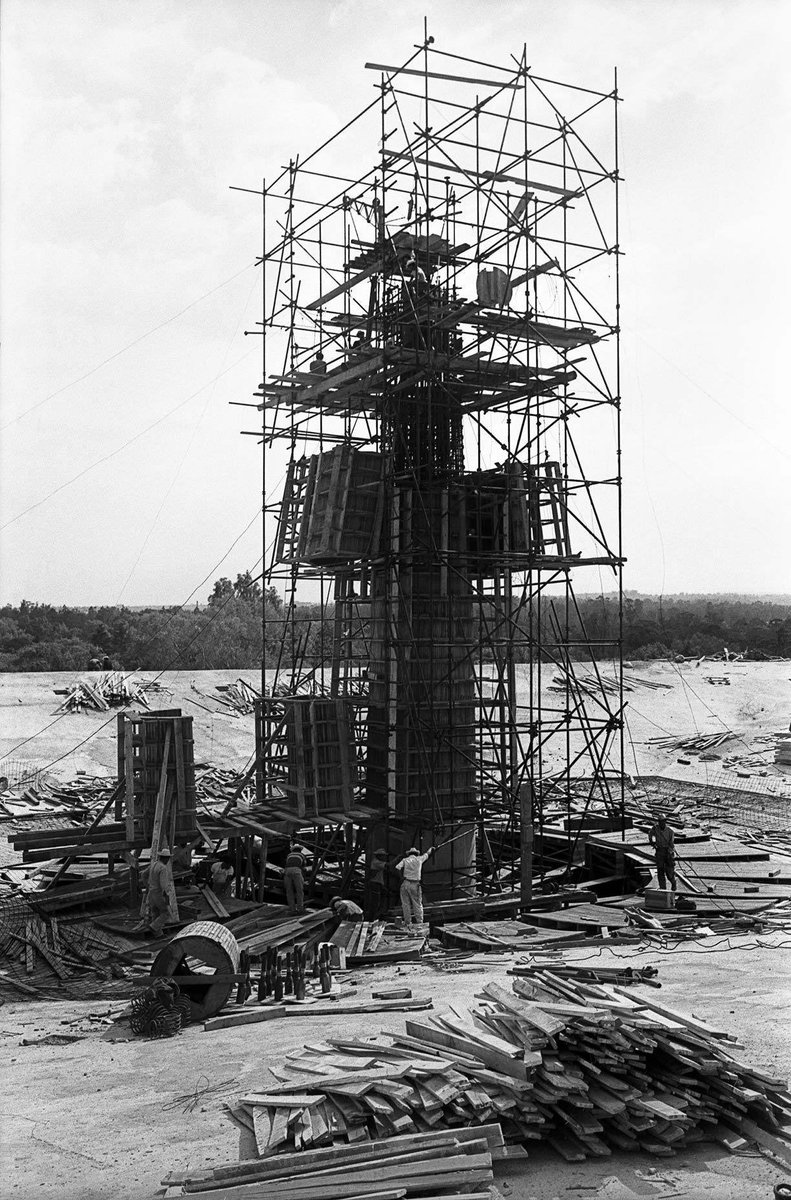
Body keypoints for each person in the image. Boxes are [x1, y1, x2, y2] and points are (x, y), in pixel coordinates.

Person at [395, 845, 435, 926]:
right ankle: (419, 922)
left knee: (405, 904)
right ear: (416, 854)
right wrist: (431, 849)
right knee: (417, 904)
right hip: (415, 884)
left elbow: (397, 868)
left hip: (405, 883)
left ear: (409, 854)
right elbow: (427, 854)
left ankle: (407, 922)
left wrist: (401, 878)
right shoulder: (419, 859)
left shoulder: (405, 860)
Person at [147, 847, 179, 936]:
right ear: (165, 858)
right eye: (168, 858)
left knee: (155, 913)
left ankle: (158, 935)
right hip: (158, 894)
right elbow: (164, 885)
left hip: (151, 892)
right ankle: (153, 926)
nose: (168, 860)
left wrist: (147, 885)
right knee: (165, 913)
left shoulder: (154, 864)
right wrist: (167, 898)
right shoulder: (163, 868)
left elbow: (144, 874)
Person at [648, 815, 677, 892]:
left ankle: (673, 883)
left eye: (663, 821)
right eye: (660, 822)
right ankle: (663, 889)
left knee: (669, 872)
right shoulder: (655, 829)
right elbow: (650, 834)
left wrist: (669, 853)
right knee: (660, 872)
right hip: (659, 851)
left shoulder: (670, 831)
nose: (661, 823)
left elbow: (671, 844)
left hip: (668, 852)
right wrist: (652, 842)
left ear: (665, 822)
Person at [365, 848, 388, 920]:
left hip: (378, 883)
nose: (384, 857)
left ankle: (377, 915)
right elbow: (389, 865)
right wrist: (397, 859)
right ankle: (372, 918)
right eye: (383, 856)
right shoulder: (377, 862)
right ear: (379, 856)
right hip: (375, 884)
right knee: (375, 902)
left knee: (380, 898)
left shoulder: (377, 862)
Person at [284, 842, 306, 914]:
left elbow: (287, 863)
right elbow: (303, 867)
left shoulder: (289, 855)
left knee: (289, 891)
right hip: (296, 871)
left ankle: (292, 909)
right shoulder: (302, 855)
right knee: (299, 891)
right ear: (300, 850)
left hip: (287, 871)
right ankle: (300, 908)